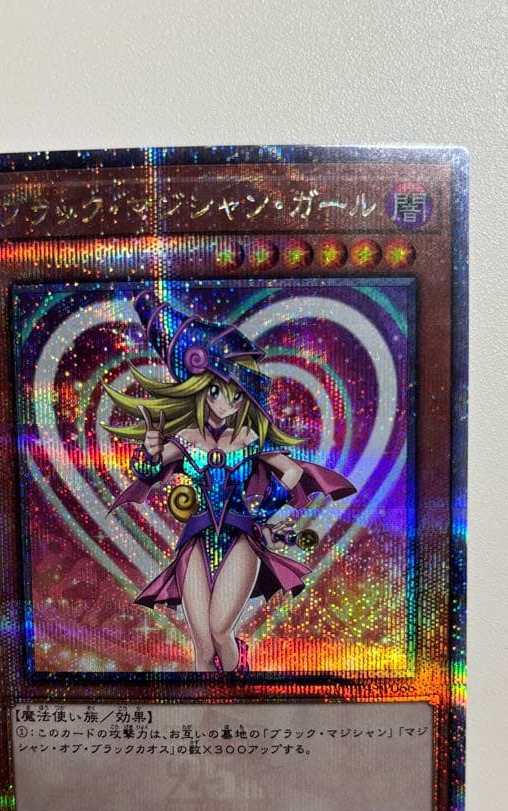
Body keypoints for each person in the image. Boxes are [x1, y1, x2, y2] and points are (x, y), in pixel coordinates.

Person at [105, 288, 356, 673]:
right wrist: (150, 452)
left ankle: (239, 687)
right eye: (217, 392)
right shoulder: (187, 439)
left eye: (236, 395)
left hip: (240, 537)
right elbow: (148, 471)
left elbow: (292, 471)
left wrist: (264, 510)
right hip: (195, 540)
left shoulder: (250, 438)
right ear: (199, 390)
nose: (227, 403)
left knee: (221, 630)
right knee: (202, 644)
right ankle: (205, 703)